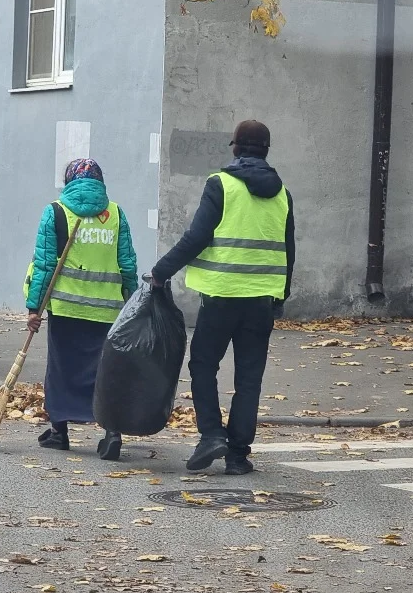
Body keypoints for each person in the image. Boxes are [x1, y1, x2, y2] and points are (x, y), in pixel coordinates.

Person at [151, 120, 295, 475]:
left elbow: (196, 237)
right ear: (266, 150)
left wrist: (160, 272)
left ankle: (211, 435)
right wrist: (280, 295)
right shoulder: (282, 194)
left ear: (235, 147)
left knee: (203, 365)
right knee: (249, 378)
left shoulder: (221, 185)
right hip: (261, 300)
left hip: (220, 298)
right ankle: (238, 455)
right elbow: (289, 250)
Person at [25, 158, 138, 460]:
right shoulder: (115, 214)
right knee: (103, 373)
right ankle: (111, 431)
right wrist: (133, 300)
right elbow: (127, 263)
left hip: (66, 310)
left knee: (61, 370)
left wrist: (34, 307)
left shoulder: (55, 212)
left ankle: (59, 432)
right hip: (106, 311)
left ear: (68, 181)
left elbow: (45, 265)